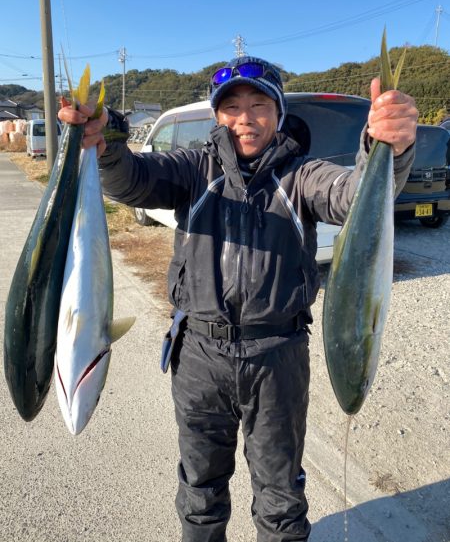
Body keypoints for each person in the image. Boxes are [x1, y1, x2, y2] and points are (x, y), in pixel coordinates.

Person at [59, 56, 418, 542]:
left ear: (279, 112)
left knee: (280, 494)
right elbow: (133, 180)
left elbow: (354, 195)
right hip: (199, 358)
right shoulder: (193, 168)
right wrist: (103, 148)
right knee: (200, 489)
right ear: (216, 116)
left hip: (278, 358)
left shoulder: (302, 175)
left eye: (258, 105)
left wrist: (386, 149)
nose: (245, 118)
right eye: (231, 107)